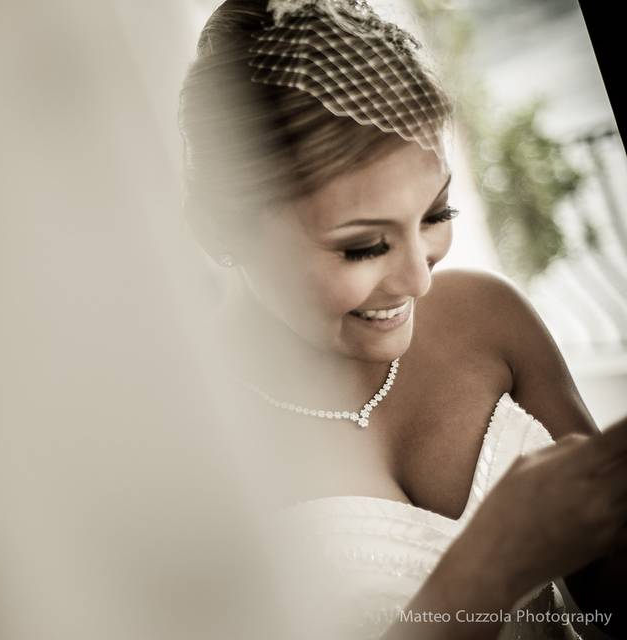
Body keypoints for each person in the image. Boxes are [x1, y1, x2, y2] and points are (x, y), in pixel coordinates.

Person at [178, 1, 627, 638]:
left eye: (436, 216)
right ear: (221, 228)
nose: (419, 279)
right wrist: (490, 571)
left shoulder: (488, 318)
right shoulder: (186, 445)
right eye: (362, 247)